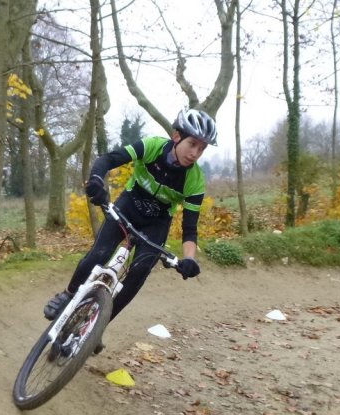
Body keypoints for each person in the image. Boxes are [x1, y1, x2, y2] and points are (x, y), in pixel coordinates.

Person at [43, 108, 217, 342]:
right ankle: (69, 293)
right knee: (100, 253)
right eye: (193, 144)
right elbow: (109, 159)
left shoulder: (195, 181)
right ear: (177, 137)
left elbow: (190, 228)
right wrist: (96, 179)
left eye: (202, 148)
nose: (196, 153)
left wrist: (189, 259)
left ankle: (97, 328)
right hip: (130, 204)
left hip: (157, 221)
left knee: (139, 272)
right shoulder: (153, 146)